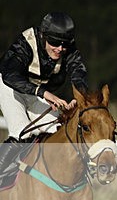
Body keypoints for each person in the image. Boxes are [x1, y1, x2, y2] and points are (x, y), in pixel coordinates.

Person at [0, 12, 88, 171]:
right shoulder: (26, 42)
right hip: (10, 87)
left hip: (36, 92)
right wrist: (43, 93)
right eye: (54, 43)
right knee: (22, 135)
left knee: (57, 131)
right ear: (43, 36)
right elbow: (10, 76)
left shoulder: (66, 47)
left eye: (64, 44)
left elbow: (77, 71)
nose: (60, 49)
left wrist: (79, 96)